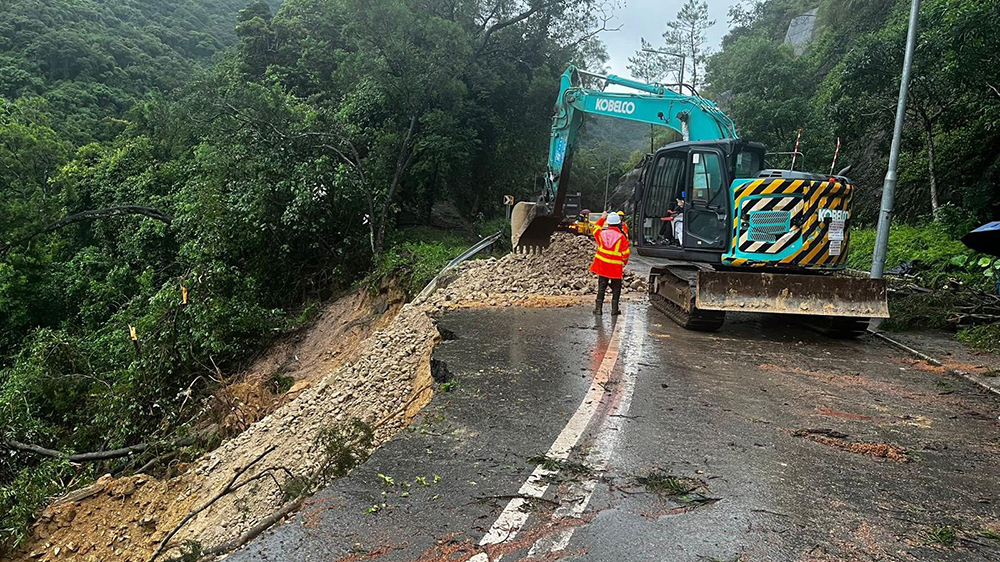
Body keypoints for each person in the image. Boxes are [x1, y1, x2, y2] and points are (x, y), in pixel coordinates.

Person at [590, 211, 630, 316]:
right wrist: (624, 262)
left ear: (608, 223)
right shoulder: (622, 237)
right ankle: (614, 310)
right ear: (618, 223)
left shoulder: (602, 234)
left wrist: (602, 217)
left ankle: (598, 309)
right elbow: (626, 253)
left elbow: (595, 229)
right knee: (616, 288)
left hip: (602, 267)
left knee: (601, 287)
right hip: (615, 268)